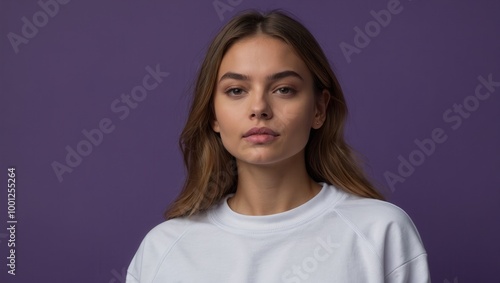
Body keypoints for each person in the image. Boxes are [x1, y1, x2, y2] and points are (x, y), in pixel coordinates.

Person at [126, 10, 430, 283]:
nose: (259, 107)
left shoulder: (381, 232)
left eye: (284, 89)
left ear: (319, 109)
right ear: (213, 115)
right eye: (236, 90)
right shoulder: (164, 249)